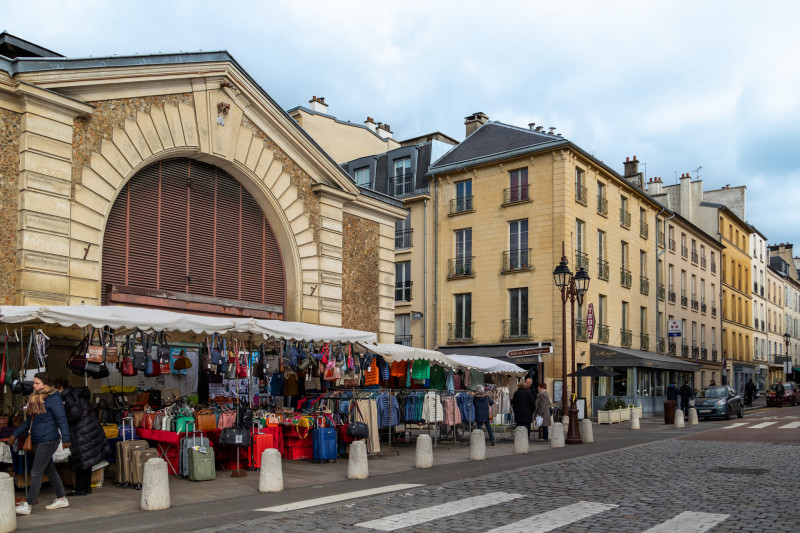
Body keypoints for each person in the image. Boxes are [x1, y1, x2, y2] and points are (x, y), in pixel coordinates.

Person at [3, 372, 71, 515]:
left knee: (36, 471)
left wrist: (66, 439)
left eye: (37, 383)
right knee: (50, 470)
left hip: (49, 440)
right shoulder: (35, 399)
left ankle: (28, 505)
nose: (34, 386)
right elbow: (28, 421)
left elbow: (62, 419)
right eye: (34, 383)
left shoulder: (54, 398)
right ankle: (62, 498)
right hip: (38, 439)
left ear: (46, 384)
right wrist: (15, 434)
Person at [57, 379, 107, 497]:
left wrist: (63, 420)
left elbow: (75, 413)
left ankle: (80, 489)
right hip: (87, 430)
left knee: (80, 460)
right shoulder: (75, 394)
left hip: (81, 431)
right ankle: (85, 488)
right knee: (86, 460)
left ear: (60, 388)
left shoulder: (68, 396)